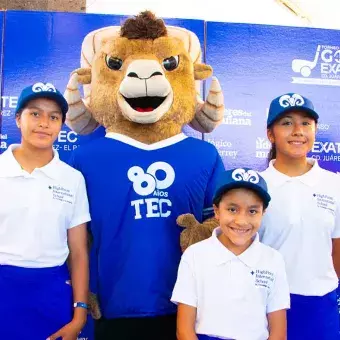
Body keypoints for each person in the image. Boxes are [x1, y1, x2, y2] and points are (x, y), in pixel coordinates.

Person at [0, 82, 91, 340]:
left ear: (61, 125)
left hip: (52, 292)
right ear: (18, 119)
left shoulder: (72, 179)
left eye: (53, 117)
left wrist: (80, 313)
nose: (44, 123)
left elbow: (79, 251)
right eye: (35, 114)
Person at [171, 168, 290, 340]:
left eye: (252, 211)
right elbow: (184, 330)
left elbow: (278, 332)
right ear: (217, 211)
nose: (241, 221)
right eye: (232, 209)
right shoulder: (195, 255)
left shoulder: (273, 260)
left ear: (263, 213)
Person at [260, 92, 340, 339]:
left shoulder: (334, 184)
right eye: (286, 123)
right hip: (266, 305)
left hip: (320, 306)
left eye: (306, 123)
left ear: (315, 130)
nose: (297, 130)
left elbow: (337, 247)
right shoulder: (257, 186)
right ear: (270, 134)